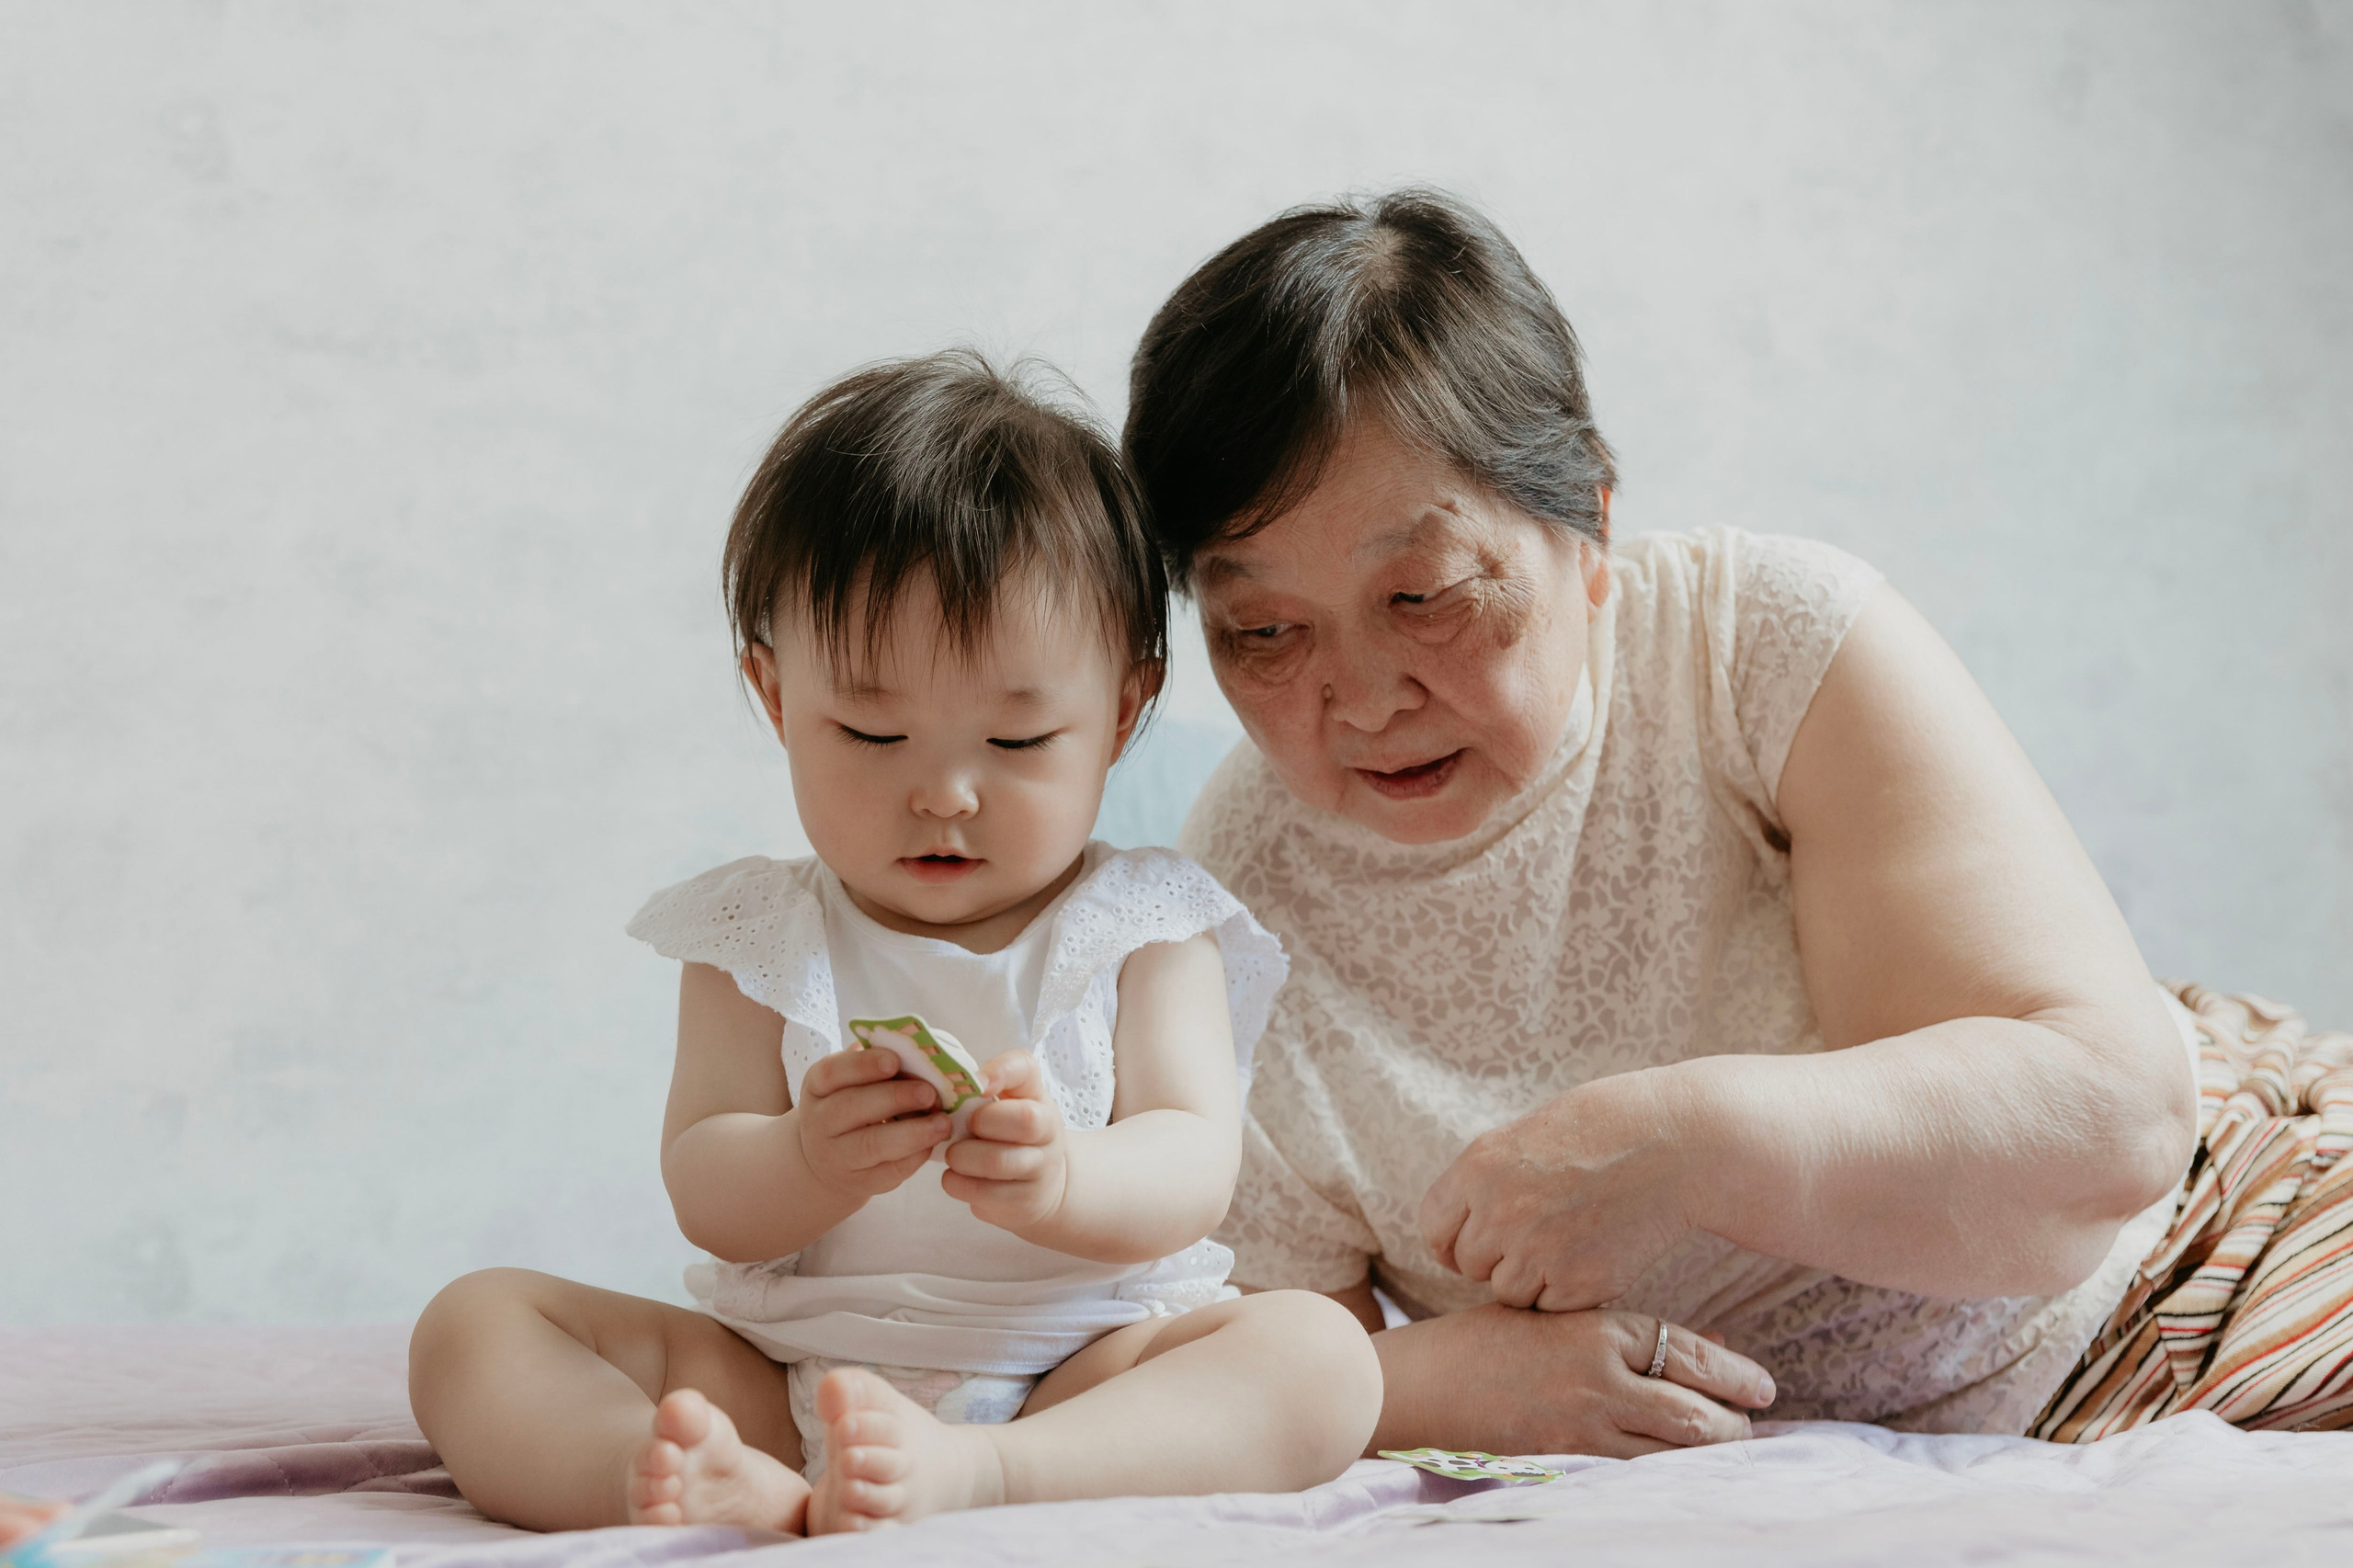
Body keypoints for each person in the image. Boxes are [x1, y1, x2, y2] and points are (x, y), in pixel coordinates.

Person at [1120, 188, 2353, 1454]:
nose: (1367, 700)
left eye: (1426, 595)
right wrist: (1434, 1380)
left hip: (2176, 1269)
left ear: (1591, 526)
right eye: (1266, 633)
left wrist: (1687, 1144)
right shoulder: (1230, 913)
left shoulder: (1752, 646)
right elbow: (1252, 1377)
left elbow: (2113, 1122)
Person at [407, 351, 1382, 1535]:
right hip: (782, 1373)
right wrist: (806, 1160)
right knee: (475, 1324)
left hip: (1077, 1374)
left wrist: (1064, 1180)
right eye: (873, 733)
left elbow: (1192, 1159)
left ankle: (985, 1478)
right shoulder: (755, 934)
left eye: (1019, 744)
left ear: (1124, 708)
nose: (946, 795)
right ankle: (681, 1479)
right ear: (775, 699)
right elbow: (706, 1186)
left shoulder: (1144, 924)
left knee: (1323, 1358)